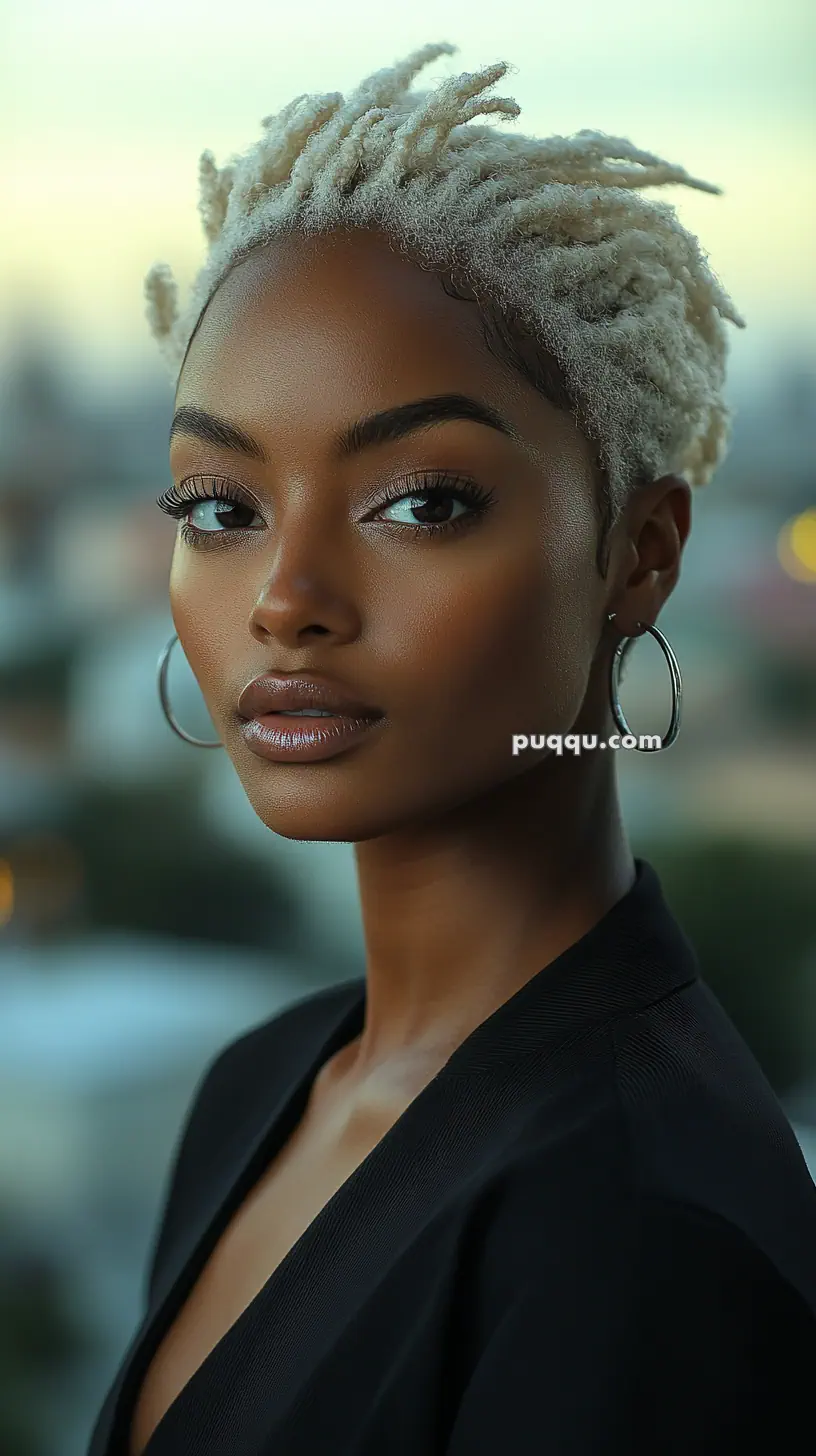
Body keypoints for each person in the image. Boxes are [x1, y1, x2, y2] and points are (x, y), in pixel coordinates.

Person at [87, 40, 816, 1456]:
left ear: (640, 555)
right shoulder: (264, 1082)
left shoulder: (654, 1235)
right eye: (219, 507)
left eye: (419, 503)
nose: (286, 599)